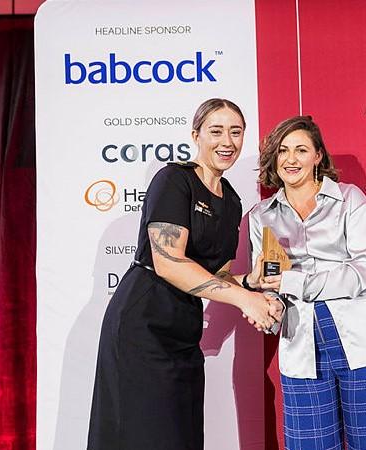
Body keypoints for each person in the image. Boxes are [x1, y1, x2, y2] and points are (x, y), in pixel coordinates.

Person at [88, 98, 282, 450]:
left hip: (183, 333)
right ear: (196, 135)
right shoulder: (174, 180)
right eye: (216, 131)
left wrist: (250, 283)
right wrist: (245, 299)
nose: (227, 141)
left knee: (181, 437)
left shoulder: (232, 201)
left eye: (235, 132)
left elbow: (214, 277)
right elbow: (168, 262)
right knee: (141, 437)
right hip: (142, 327)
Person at [248, 115, 366, 449]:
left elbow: (365, 272)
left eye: (301, 150)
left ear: (318, 155)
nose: (291, 159)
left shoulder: (351, 200)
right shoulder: (261, 215)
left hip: (365, 346)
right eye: (282, 151)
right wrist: (265, 305)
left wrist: (291, 282)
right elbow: (269, 282)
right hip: (301, 348)